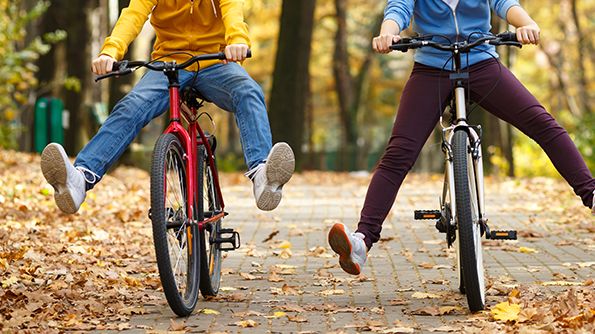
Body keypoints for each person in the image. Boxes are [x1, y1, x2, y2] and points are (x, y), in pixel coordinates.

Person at [328, 0, 595, 275]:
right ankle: (362, 241)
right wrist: (388, 31)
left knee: (543, 124)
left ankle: (591, 194)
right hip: (431, 68)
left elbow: (503, 3)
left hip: (481, 64)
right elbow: (399, 8)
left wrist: (525, 23)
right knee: (398, 153)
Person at [40, 0, 295, 214]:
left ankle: (263, 176)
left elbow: (232, 11)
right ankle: (81, 179)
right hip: (168, 63)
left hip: (215, 62)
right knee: (132, 106)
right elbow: (133, 15)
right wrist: (110, 52)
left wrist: (237, 40)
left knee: (248, 91)